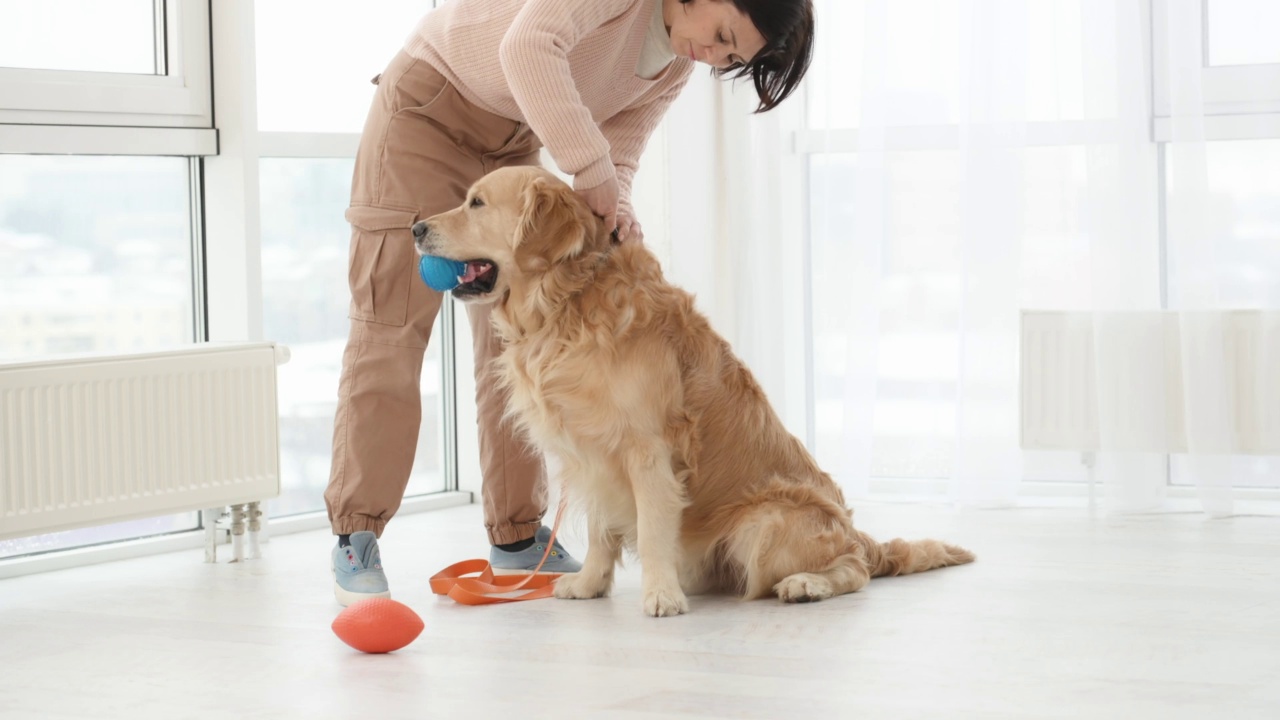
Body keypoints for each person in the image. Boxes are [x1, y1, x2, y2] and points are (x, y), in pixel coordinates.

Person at [325, 0, 814, 606]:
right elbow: (527, 47)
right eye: (720, 33)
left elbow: (620, 151)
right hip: (429, 111)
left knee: (516, 342)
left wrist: (618, 207)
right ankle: (356, 533)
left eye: (729, 56)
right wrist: (588, 166)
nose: (710, 54)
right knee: (390, 328)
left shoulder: (674, 68)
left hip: (513, 136)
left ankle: (517, 534)